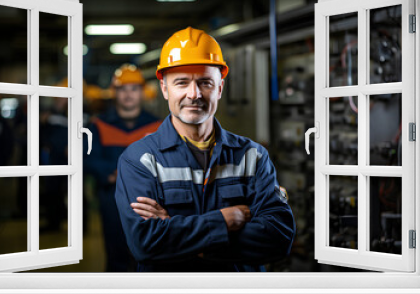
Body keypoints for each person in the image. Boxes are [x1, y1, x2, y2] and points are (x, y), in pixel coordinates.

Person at [115, 27, 295, 272]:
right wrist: (225, 220)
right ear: (164, 89)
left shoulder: (252, 156)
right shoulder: (141, 159)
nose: (194, 94)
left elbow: (278, 238)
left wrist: (190, 242)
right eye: (181, 83)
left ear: (220, 88)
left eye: (205, 82)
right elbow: (145, 243)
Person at [83, 64, 161, 272]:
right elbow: (86, 159)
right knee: (116, 254)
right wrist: (112, 172)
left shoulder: (158, 126)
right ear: (114, 92)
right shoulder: (97, 125)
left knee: (148, 254)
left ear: (142, 92)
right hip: (112, 200)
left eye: (134, 88)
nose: (128, 94)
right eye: (123, 89)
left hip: (151, 200)